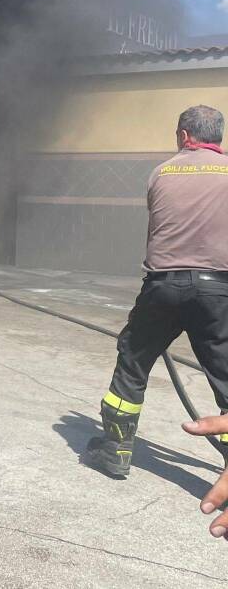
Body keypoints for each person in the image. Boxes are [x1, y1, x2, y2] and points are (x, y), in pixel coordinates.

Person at [87, 105, 228, 478]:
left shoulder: (160, 173)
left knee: (133, 361)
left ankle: (115, 450)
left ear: (184, 136)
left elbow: (158, 231)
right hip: (218, 291)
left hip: (163, 285)